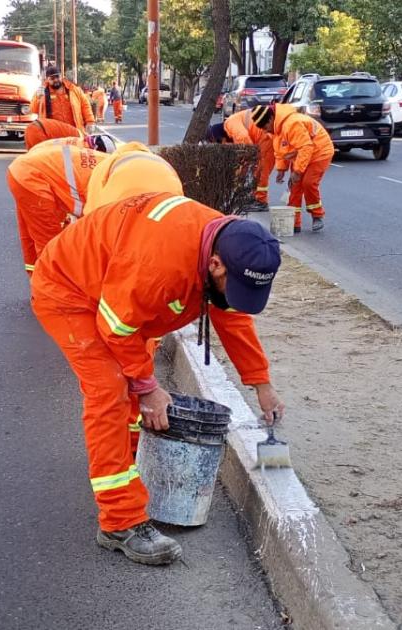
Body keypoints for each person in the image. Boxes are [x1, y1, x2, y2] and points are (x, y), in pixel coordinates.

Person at [31, 192, 286, 565]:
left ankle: (126, 459)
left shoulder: (228, 242)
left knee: (135, 378)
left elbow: (229, 313)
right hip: (70, 293)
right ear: (215, 264)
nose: (235, 297)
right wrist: (148, 389)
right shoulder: (160, 264)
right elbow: (116, 329)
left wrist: (262, 383)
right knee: (111, 389)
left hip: (118, 297)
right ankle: (119, 522)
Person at [6, 141, 106, 274]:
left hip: (27, 170)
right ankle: (50, 287)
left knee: (34, 237)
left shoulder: (106, 163)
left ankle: (38, 281)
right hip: (32, 177)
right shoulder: (113, 183)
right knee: (51, 246)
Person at [252, 103, 333, 233]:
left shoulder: (292, 124)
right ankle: (294, 223)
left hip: (320, 152)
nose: (265, 131)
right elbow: (281, 152)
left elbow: (306, 147)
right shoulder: (276, 130)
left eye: (265, 126)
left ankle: (317, 215)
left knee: (308, 183)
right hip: (301, 155)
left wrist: (298, 171)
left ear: (271, 119)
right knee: (295, 188)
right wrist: (281, 170)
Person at [203, 106, 276, 209]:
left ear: (220, 138)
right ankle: (257, 198)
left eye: (221, 144)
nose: (224, 146)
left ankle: (261, 201)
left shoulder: (230, 124)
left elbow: (246, 145)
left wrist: (240, 174)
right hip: (263, 136)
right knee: (258, 169)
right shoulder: (230, 130)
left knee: (261, 170)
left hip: (265, 137)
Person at [83, 143, 182, 212]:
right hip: (171, 199)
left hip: (126, 203)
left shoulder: (103, 167)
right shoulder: (155, 160)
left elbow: (93, 214)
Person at [31, 66, 95, 133]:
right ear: (47, 79)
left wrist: (90, 121)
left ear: (61, 76)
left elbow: (85, 106)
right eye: (52, 78)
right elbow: (33, 110)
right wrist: (37, 98)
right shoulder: (42, 92)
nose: (55, 80)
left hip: (74, 131)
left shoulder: (74, 89)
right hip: (53, 134)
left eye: (57, 77)